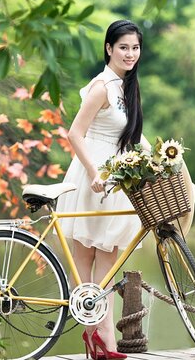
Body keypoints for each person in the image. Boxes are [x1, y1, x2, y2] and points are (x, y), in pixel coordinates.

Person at [56, 20, 149, 360]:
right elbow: (74, 133)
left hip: (117, 178)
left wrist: (155, 162)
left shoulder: (128, 87)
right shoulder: (102, 87)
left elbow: (131, 138)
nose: (130, 53)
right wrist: (95, 172)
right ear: (109, 48)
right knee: (85, 259)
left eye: (135, 47)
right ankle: (102, 342)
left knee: (108, 262)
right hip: (93, 175)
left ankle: (100, 341)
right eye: (123, 47)